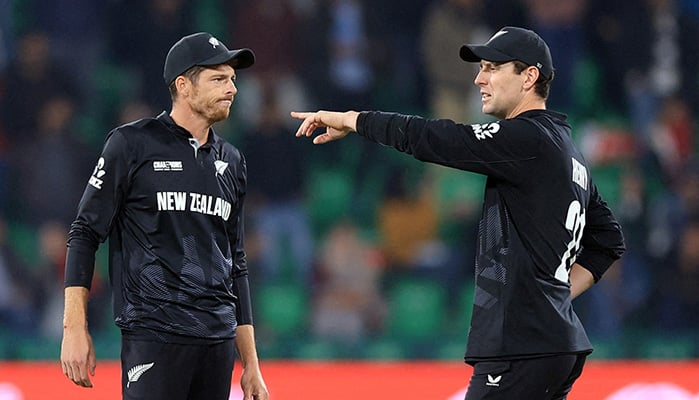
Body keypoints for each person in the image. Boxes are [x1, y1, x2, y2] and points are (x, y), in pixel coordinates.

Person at [292, 26, 625, 400]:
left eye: (492, 68)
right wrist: (557, 297)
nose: (479, 79)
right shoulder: (567, 150)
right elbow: (608, 241)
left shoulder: (528, 139)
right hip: (547, 343)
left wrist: (355, 119)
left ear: (529, 76)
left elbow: (438, 139)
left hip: (522, 346)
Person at [60, 32, 269, 400]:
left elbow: (235, 262)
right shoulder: (131, 145)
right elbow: (84, 233)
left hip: (217, 343)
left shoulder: (233, 162)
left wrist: (250, 362)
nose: (232, 88)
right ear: (183, 86)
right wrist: (74, 328)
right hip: (154, 336)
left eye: (233, 79)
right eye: (219, 78)